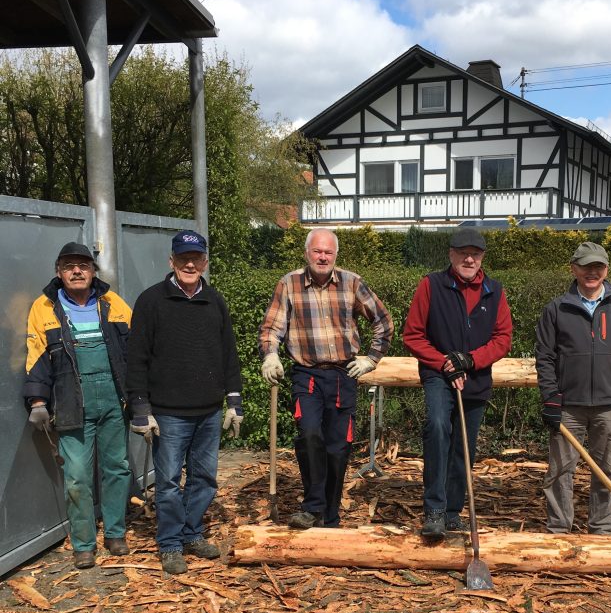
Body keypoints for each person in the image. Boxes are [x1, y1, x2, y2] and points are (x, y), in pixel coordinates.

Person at [259, 229, 393, 530]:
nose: (322, 257)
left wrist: (371, 358)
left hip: (343, 374)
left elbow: (383, 321)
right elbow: (271, 327)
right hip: (306, 374)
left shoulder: (352, 283)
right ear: (307, 253)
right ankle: (313, 505)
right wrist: (270, 355)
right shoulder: (289, 283)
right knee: (309, 435)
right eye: (317, 251)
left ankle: (329, 516)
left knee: (338, 447)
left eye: (328, 252)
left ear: (335, 255)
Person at [126, 230, 243, 574]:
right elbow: (136, 358)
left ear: (205, 262)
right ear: (171, 261)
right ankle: (171, 544)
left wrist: (233, 401)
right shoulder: (151, 301)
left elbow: (228, 355)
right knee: (167, 482)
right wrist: (140, 407)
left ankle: (192, 533)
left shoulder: (214, 300)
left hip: (208, 410)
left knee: (204, 479)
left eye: (196, 258)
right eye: (182, 258)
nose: (190, 264)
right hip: (169, 413)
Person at [24, 242, 132, 569]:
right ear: (59, 271)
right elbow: (37, 357)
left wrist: (141, 398)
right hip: (71, 401)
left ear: (93, 271)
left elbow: (133, 350)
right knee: (77, 476)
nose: (76, 271)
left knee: (117, 468)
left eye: (83, 265)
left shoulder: (113, 303)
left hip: (115, 399)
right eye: (69, 265)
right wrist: (38, 401)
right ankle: (84, 543)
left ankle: (115, 533)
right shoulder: (43, 307)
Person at [402, 227, 512, 541]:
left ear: (482, 258)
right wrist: (444, 362)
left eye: (474, 254)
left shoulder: (494, 290)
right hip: (438, 374)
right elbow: (413, 336)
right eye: (462, 252)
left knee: (464, 446)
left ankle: (453, 513)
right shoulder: (431, 285)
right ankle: (434, 512)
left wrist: (471, 360)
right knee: (438, 428)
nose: (468, 258)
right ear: (450, 254)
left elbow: (503, 339)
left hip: (475, 375)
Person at [535, 241, 611, 535]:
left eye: (597, 267)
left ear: (606, 270)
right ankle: (559, 527)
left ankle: (602, 528)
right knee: (560, 470)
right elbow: (544, 358)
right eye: (585, 266)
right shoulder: (556, 309)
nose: (591, 272)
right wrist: (551, 399)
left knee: (607, 471)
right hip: (568, 405)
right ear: (574, 268)